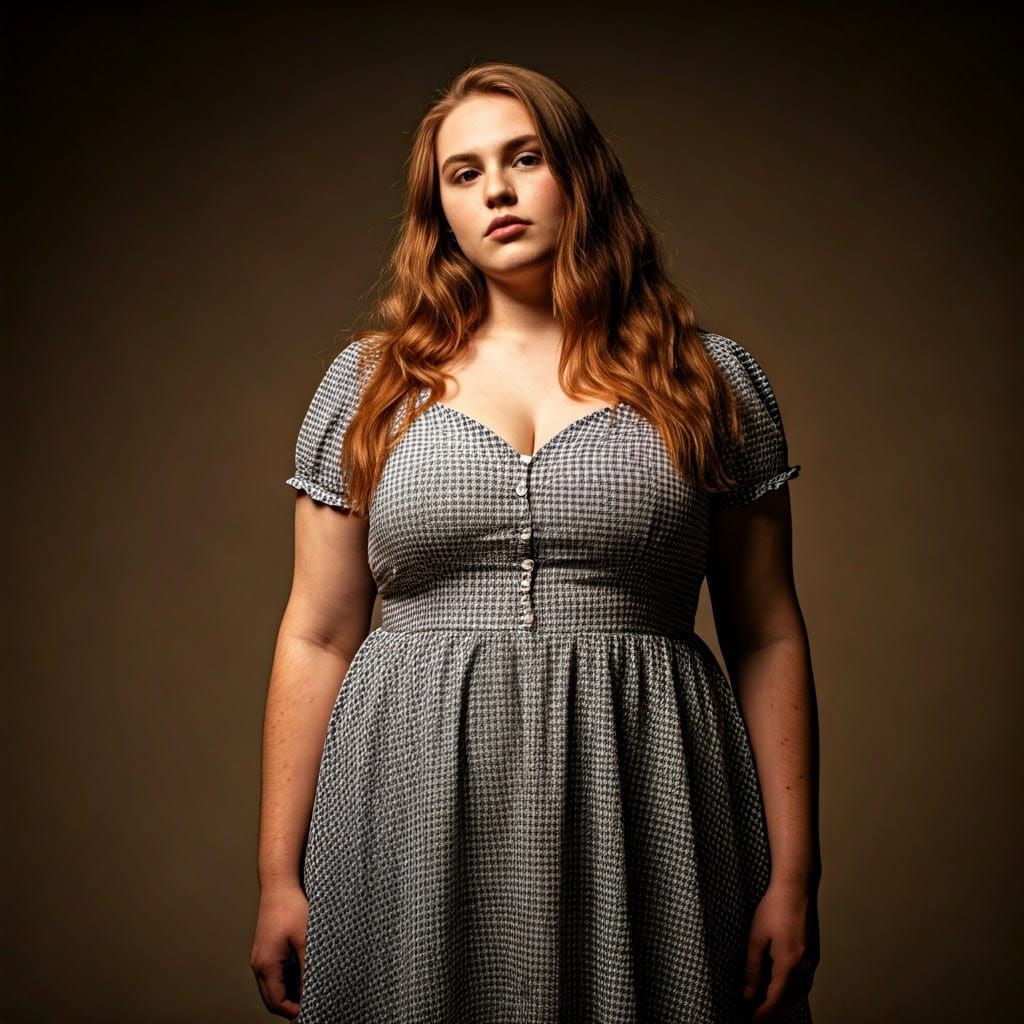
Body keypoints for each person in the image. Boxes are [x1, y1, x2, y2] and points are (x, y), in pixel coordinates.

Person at [250, 61, 821, 1024]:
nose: (498, 191)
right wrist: (276, 874)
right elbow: (315, 631)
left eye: (525, 158)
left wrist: (796, 876)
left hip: (648, 789)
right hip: (408, 788)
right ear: (439, 207)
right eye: (463, 173)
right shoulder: (371, 385)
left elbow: (766, 632)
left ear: (583, 176)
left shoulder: (708, 380)